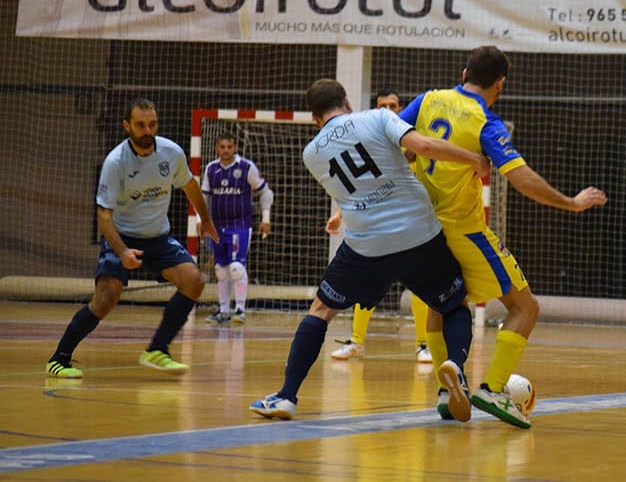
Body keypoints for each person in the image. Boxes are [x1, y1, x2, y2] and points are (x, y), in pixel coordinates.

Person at [249, 78, 490, 421]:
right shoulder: (378, 118)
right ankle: (457, 370)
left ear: (315, 118)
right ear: (347, 100)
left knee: (320, 310)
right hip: (419, 233)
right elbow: (421, 146)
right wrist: (474, 161)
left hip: (365, 246)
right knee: (453, 305)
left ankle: (287, 396)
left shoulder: (311, 153)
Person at [400, 45, 608, 428]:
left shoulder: (427, 100)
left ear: (464, 73)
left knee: (441, 304)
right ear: (500, 83)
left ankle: (447, 394)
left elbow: (395, 143)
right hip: (463, 230)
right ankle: (493, 389)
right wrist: (572, 203)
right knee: (525, 307)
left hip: (419, 229)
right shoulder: (486, 122)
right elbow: (522, 179)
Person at [45, 98, 220, 379]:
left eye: (152, 124)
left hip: (158, 237)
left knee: (194, 281)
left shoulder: (170, 153)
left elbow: (189, 184)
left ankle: (157, 350)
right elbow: (103, 216)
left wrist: (206, 219)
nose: (147, 130)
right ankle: (59, 358)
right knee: (107, 296)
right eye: (140, 125)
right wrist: (122, 250)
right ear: (127, 126)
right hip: (122, 235)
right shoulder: (116, 162)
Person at [329, 89, 433, 364]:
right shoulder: (371, 144)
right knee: (365, 284)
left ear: (401, 109)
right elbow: (361, 186)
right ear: (375, 109)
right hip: (378, 228)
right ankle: (356, 342)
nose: (388, 109)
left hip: (411, 227)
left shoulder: (413, 144)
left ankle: (424, 345)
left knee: (421, 287)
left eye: (393, 105)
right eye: (382, 105)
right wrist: (339, 213)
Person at [199, 132, 274, 325]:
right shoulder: (211, 169)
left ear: (235, 148)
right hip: (218, 226)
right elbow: (203, 197)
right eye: (222, 147)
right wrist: (201, 219)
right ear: (217, 148)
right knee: (221, 270)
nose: (225, 151)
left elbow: (265, 192)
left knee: (236, 267)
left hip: (240, 225)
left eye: (229, 147)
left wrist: (265, 218)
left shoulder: (246, 167)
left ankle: (240, 310)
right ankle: (223, 311)